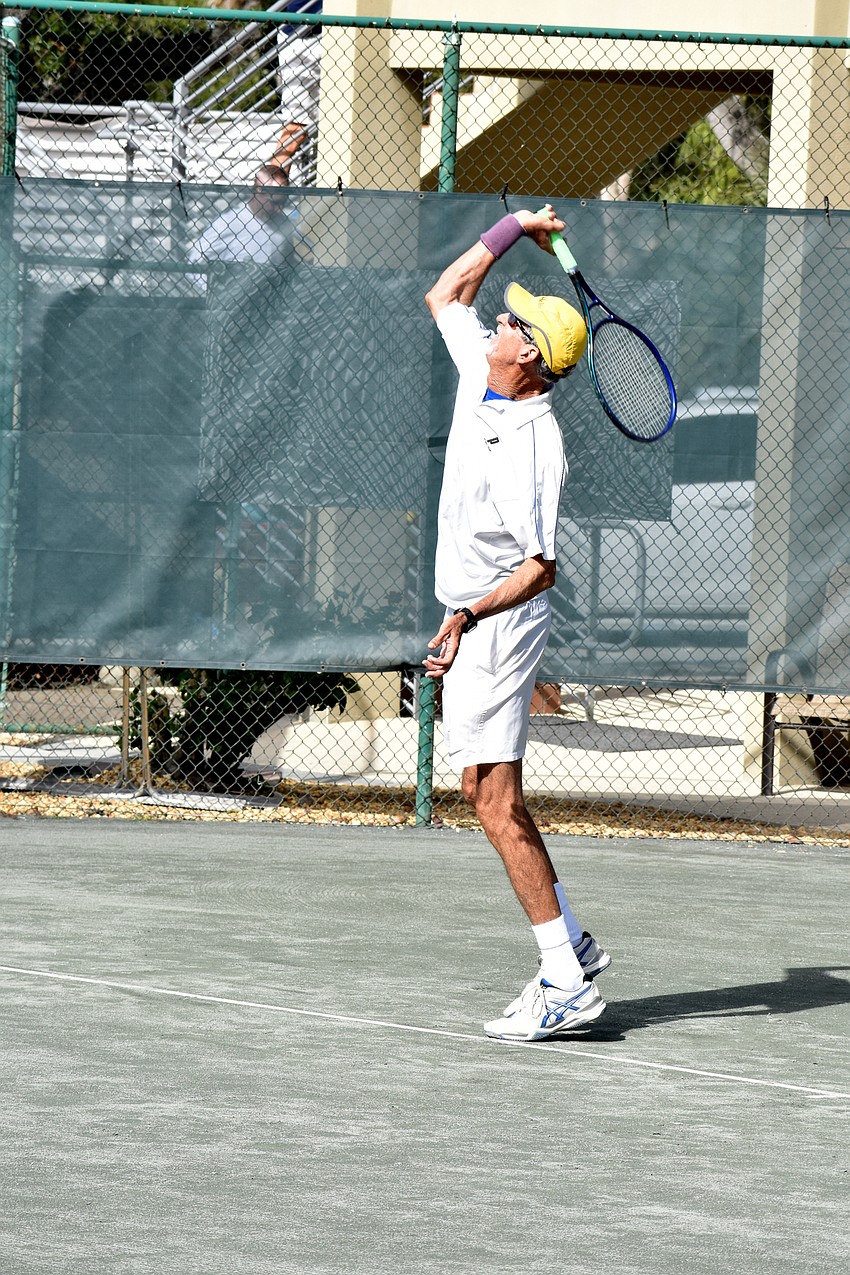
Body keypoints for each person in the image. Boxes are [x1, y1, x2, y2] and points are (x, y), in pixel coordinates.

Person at [423, 204, 611, 1043]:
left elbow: (541, 567)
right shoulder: (482, 373)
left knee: (496, 801)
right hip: (470, 618)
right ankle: (571, 943)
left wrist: (466, 615)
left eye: (512, 321)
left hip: (499, 624)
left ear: (528, 353)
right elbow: (446, 293)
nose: (498, 317)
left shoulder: (536, 445)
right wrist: (512, 227)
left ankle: (566, 981)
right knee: (481, 791)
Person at [188, 164, 309, 279]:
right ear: (259, 192)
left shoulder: (283, 224)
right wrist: (216, 291)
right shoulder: (228, 223)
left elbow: (287, 266)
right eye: (275, 202)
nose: (279, 209)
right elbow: (195, 265)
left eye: (283, 203)